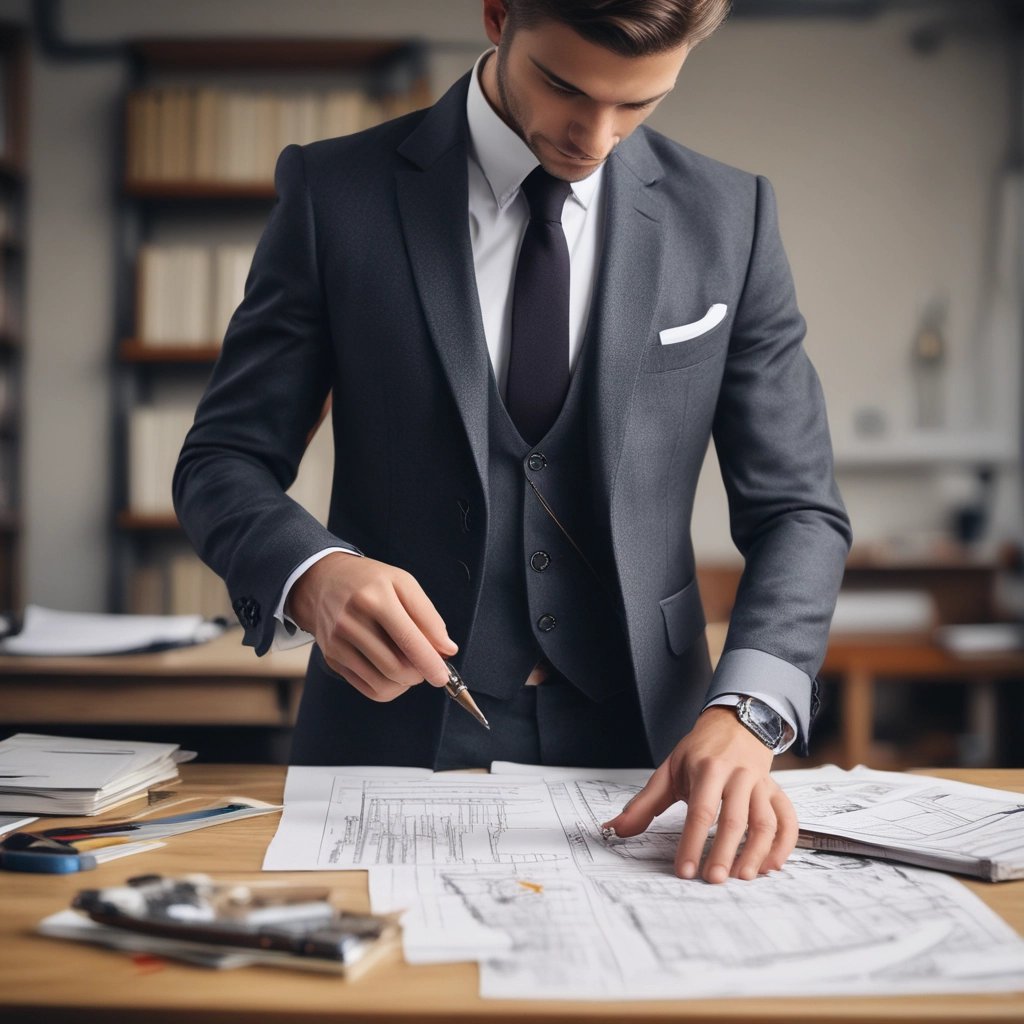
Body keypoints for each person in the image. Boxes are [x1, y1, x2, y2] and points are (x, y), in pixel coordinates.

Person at [173, 0, 852, 884]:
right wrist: (312, 575)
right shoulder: (334, 193)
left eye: (639, 103)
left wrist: (750, 711)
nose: (596, 135)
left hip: (658, 749)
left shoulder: (732, 218)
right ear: (498, 15)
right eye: (564, 85)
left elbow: (799, 509)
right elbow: (222, 458)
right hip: (388, 737)